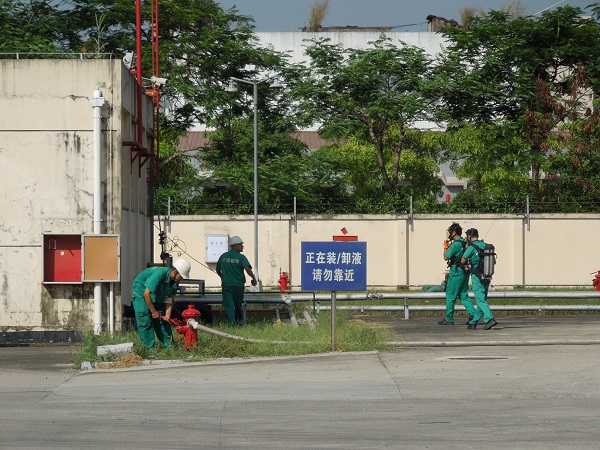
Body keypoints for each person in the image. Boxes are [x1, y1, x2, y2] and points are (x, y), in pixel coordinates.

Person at [131, 258, 191, 347]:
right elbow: (146, 294)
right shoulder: (158, 275)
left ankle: (169, 346)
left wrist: (167, 315)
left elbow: (170, 298)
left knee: (162, 320)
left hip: (156, 295)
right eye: (181, 276)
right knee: (145, 320)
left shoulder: (175, 281)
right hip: (141, 293)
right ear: (175, 272)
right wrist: (153, 311)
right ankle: (149, 349)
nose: (182, 279)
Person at [439, 222, 477, 325]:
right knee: (463, 294)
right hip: (465, 271)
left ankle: (449, 318)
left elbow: (446, 257)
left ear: (454, 232)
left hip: (456, 272)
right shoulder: (464, 242)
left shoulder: (455, 244)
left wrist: (445, 247)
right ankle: (473, 314)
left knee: (450, 295)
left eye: (450, 232)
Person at [461, 228, 498, 330]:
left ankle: (489, 319)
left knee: (480, 300)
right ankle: (473, 322)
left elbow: (463, 260)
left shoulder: (471, 247)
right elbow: (493, 262)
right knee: (482, 300)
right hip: (487, 275)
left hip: (476, 276)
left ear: (469, 236)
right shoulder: (485, 246)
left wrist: (466, 248)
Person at [216, 236, 257, 325]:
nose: (242, 246)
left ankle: (231, 323)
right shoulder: (241, 257)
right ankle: (239, 322)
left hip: (227, 285)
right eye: (241, 244)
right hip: (238, 285)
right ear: (235, 246)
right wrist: (253, 278)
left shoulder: (223, 256)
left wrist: (222, 277)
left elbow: (218, 269)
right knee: (238, 304)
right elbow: (247, 269)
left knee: (228, 304)